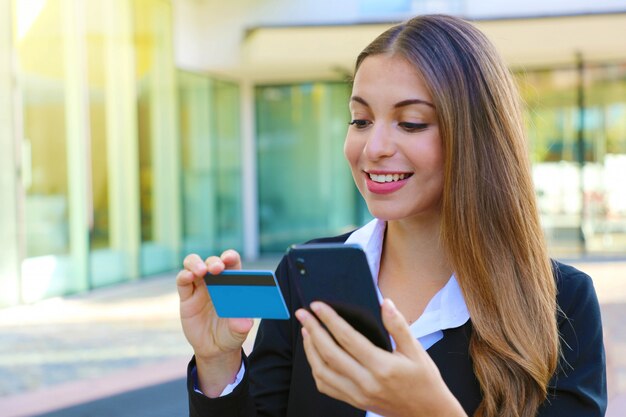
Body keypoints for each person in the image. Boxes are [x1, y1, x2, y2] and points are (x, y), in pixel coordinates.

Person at [176, 14, 607, 417]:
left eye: (411, 122)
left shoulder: (561, 302)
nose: (374, 146)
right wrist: (218, 365)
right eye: (360, 120)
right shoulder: (304, 275)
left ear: (476, 138)